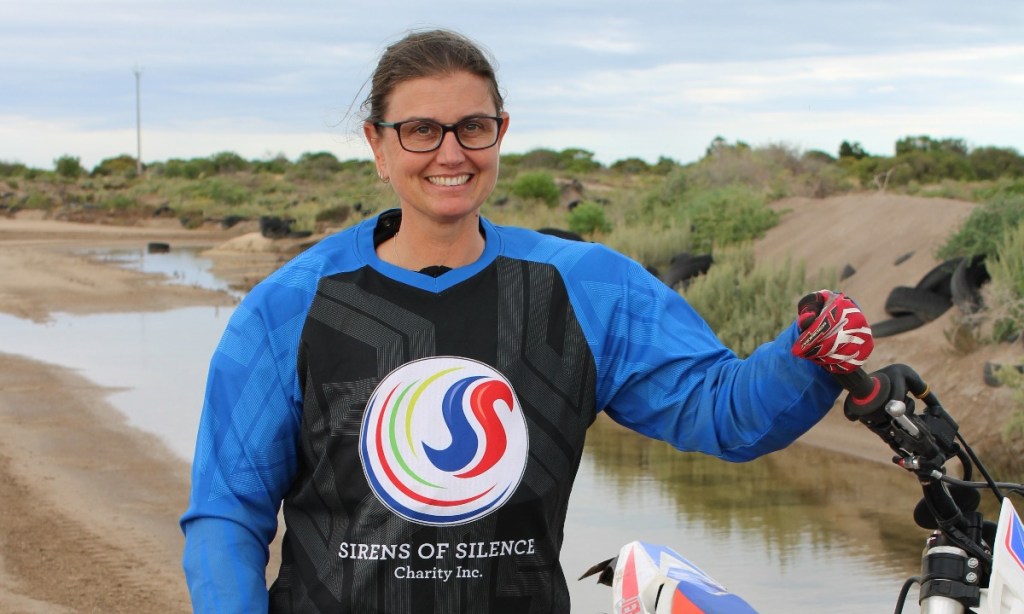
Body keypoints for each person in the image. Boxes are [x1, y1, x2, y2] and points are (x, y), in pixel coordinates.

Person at [180, 28, 873, 614]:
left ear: (500, 133)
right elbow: (226, 516)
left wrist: (805, 357)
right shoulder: (288, 306)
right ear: (378, 144)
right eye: (422, 130)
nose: (451, 154)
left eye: (472, 128)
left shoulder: (584, 288)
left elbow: (721, 412)